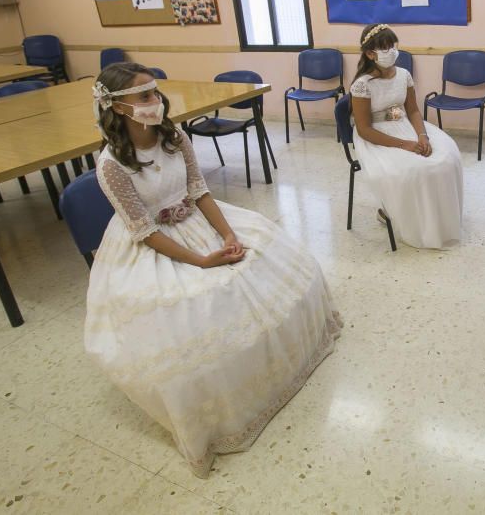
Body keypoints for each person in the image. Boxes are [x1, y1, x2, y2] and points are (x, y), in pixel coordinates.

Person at [85, 62, 342, 477]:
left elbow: (200, 192)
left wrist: (225, 235)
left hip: (198, 218)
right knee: (196, 302)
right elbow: (145, 231)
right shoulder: (112, 164)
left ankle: (271, 364)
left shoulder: (175, 137)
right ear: (117, 107)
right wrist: (202, 260)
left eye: (155, 93)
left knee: (263, 257)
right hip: (155, 241)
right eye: (144, 96)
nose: (155, 102)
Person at [350, 24, 463, 248]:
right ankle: (395, 212)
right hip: (377, 135)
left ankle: (437, 219)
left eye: (393, 46)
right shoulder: (362, 85)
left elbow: (412, 110)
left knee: (448, 156)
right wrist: (405, 145)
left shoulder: (404, 74)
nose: (391, 51)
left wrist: (422, 136)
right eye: (384, 48)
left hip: (406, 125)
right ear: (370, 53)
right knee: (416, 168)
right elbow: (364, 129)